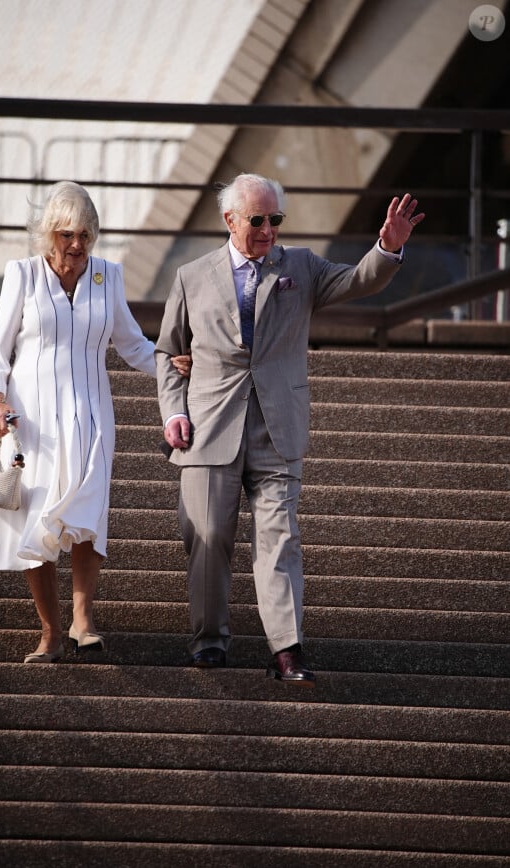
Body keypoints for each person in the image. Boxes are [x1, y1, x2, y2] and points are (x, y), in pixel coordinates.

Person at [156, 172, 424, 685]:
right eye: (257, 220)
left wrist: (387, 248)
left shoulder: (299, 265)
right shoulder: (192, 275)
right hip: (209, 426)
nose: (268, 230)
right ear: (229, 220)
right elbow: (169, 351)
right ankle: (209, 641)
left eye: (275, 219)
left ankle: (286, 650)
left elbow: (359, 280)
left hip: (278, 425)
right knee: (207, 535)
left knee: (279, 539)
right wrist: (174, 410)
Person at [0, 180, 190, 663]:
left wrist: (170, 363)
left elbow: (132, 344)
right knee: (40, 516)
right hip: (33, 422)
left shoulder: (108, 275)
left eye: (85, 235)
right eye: (67, 234)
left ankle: (83, 620)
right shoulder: (23, 274)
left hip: (92, 417)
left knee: (88, 513)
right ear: (50, 233)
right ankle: (50, 632)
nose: (76, 245)